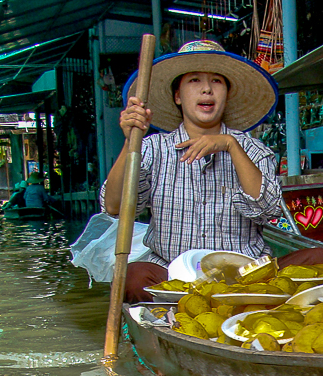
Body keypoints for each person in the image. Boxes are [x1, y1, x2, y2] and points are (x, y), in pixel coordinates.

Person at [101, 40, 281, 302]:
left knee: (318, 258)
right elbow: (115, 207)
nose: (207, 89)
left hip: (243, 280)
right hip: (172, 279)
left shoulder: (252, 150)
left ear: (227, 94)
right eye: (194, 80)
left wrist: (230, 146)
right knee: (132, 276)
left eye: (217, 81)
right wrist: (130, 142)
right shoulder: (153, 148)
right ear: (177, 96)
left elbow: (268, 209)